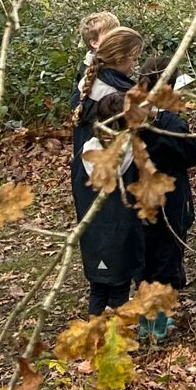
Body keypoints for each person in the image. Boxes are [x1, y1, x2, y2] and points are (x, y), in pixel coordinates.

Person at [134, 57, 196, 340]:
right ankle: (157, 323)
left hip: (139, 199)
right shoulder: (169, 122)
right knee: (165, 258)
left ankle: (145, 321)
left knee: (144, 259)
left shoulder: (130, 116)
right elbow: (192, 154)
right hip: (169, 200)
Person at [72, 93, 143, 315]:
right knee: (119, 291)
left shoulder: (85, 152)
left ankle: (93, 335)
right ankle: (116, 342)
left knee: (98, 289)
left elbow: (78, 192)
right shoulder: (133, 155)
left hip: (92, 233)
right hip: (122, 233)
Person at [70, 27, 143, 158]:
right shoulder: (114, 94)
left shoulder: (90, 77)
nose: (136, 64)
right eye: (134, 59)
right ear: (120, 58)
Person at [70, 12, 121, 112]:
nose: (118, 39)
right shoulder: (91, 73)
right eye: (111, 36)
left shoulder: (113, 65)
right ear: (95, 43)